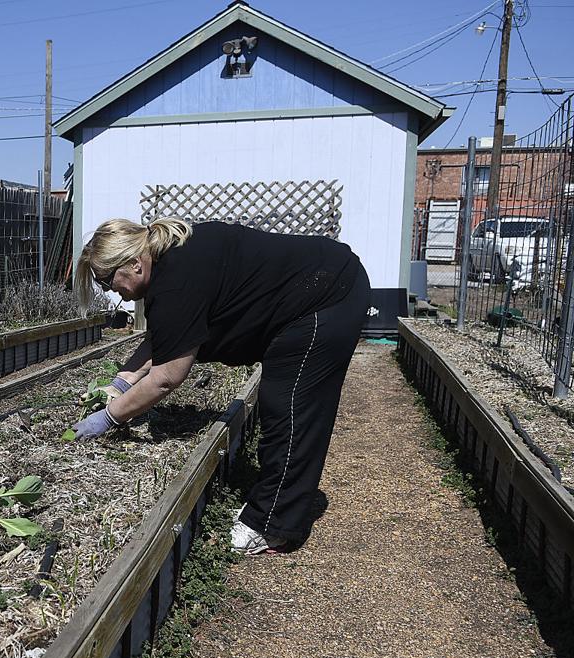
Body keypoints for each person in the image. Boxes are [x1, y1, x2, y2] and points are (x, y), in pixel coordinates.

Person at [72, 217, 370, 554]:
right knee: (284, 402)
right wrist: (121, 382)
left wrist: (109, 417)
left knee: (289, 407)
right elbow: (165, 338)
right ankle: (273, 507)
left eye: (109, 282)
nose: (116, 295)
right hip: (320, 282)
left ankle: (272, 526)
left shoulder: (175, 279)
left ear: (134, 264)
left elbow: (167, 376)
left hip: (325, 295)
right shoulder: (171, 261)